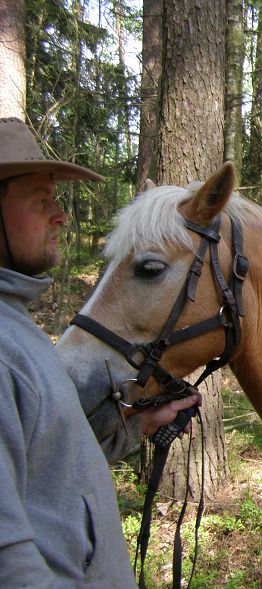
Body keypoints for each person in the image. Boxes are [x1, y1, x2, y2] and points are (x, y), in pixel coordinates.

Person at [0, 117, 200, 587]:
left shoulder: (17, 327)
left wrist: (137, 428)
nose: (60, 215)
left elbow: (42, 464)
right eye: (41, 200)